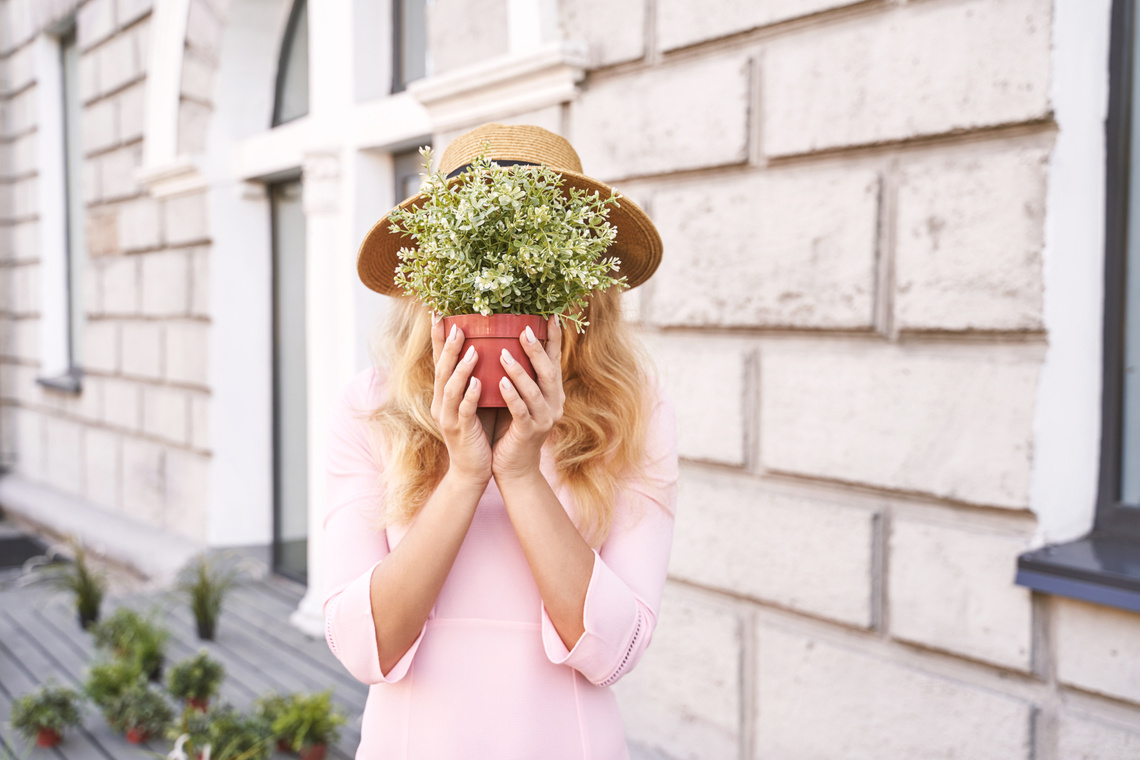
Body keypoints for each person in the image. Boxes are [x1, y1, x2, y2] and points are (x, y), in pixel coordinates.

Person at [321, 123, 678, 760]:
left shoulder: (633, 412)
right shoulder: (371, 408)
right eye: (479, 260)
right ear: (434, 277)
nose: (503, 286)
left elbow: (616, 649)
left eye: (532, 259)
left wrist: (519, 475)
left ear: (580, 281)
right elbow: (362, 645)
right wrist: (463, 475)